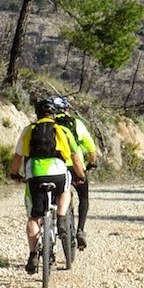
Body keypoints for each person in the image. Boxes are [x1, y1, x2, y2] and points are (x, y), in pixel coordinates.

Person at [8, 98, 87, 274]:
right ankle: (60, 217)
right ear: (53, 114)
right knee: (65, 190)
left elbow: (17, 157)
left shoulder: (29, 130)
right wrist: (81, 175)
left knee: (34, 217)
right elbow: (75, 157)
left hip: (35, 174)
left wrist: (14, 174)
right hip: (58, 173)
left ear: (37, 114)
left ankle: (33, 253)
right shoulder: (63, 130)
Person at [50, 96, 98, 250]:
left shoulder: (47, 125)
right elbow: (91, 147)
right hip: (74, 167)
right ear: (65, 110)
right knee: (83, 197)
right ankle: (80, 230)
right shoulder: (76, 123)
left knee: (53, 197)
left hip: (54, 167)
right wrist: (91, 163)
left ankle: (52, 226)